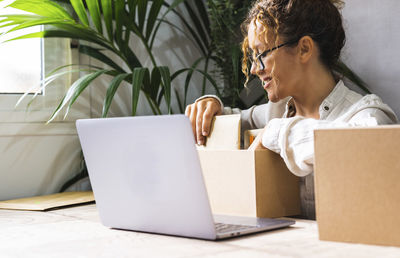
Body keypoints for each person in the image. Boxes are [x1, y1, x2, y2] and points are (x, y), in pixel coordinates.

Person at [185, 0, 398, 220]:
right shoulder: (274, 112)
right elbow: (225, 119)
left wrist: (275, 133)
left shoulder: (368, 115)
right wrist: (209, 104)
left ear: (304, 49)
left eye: (262, 54)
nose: (255, 69)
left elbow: (365, 146)